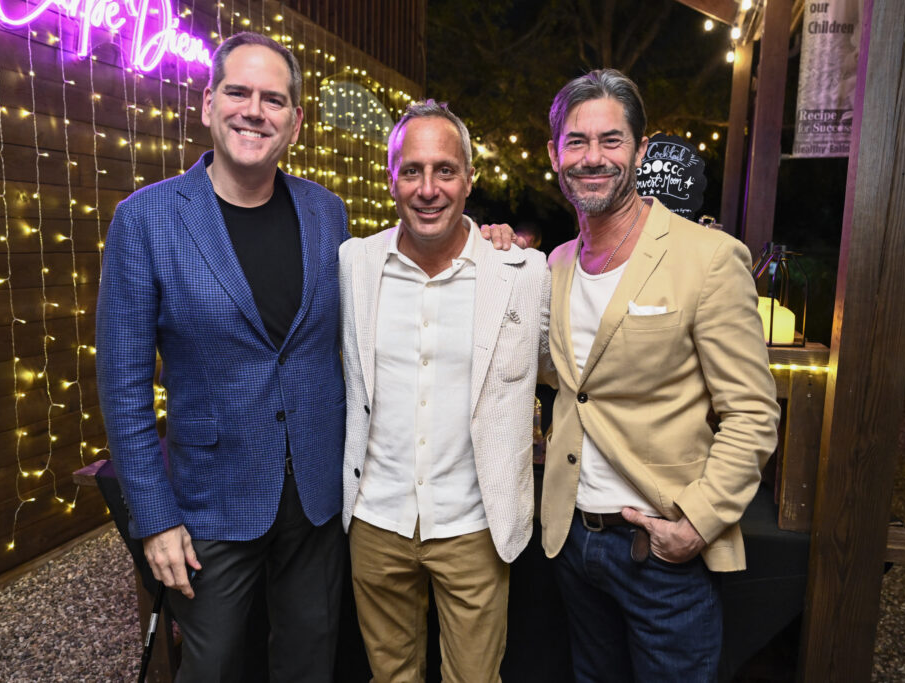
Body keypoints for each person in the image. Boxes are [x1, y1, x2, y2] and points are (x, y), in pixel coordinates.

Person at [95, 32, 348, 681]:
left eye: (274, 99)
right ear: (208, 102)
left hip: (316, 500)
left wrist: (477, 236)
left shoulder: (329, 213)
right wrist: (153, 521)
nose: (254, 110)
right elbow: (123, 387)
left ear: (294, 120)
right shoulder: (145, 220)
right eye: (238, 92)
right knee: (212, 670)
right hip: (211, 503)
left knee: (310, 663)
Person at [539, 69, 781, 681]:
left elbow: (753, 413)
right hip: (572, 541)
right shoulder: (556, 264)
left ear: (641, 151)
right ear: (555, 154)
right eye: (577, 141)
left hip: (660, 551)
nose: (593, 158)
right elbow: (566, 380)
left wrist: (696, 522)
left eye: (611, 140)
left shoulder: (708, 258)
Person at [338, 101, 553, 683]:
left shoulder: (521, 273)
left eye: (445, 170)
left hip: (474, 525)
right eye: (412, 170)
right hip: (376, 520)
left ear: (469, 179)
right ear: (391, 177)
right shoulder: (353, 264)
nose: (428, 188)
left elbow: (568, 372)